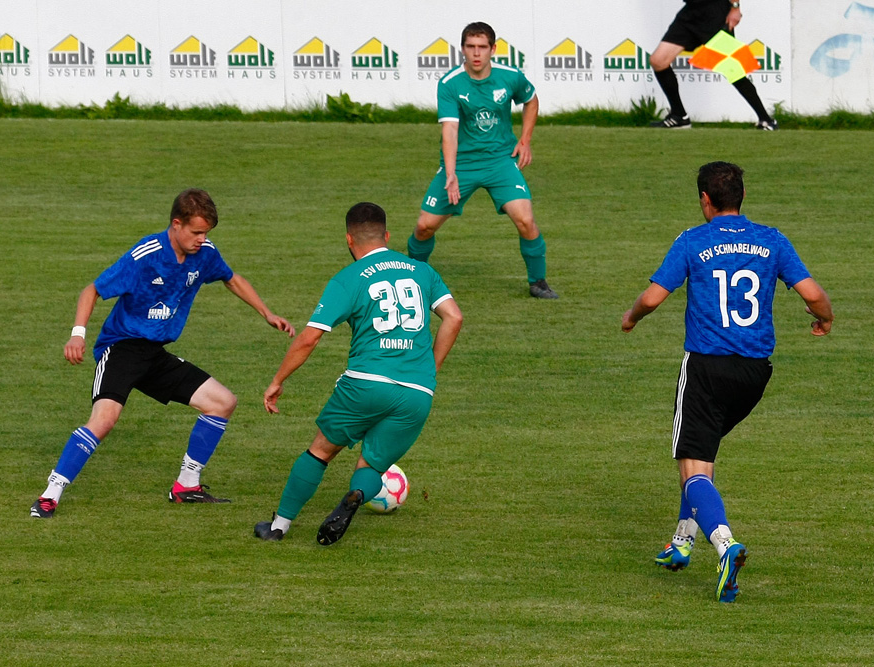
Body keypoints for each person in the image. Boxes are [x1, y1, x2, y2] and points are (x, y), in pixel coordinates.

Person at [621, 162, 833, 601]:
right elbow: (813, 295)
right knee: (703, 455)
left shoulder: (692, 241)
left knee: (692, 464)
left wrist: (631, 316)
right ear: (741, 197)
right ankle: (681, 542)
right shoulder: (772, 240)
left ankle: (724, 545)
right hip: (754, 374)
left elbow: (654, 296)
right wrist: (824, 318)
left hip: (705, 368)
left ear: (705, 200)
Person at [30, 188, 296, 518]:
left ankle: (186, 485)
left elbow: (231, 278)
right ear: (176, 224)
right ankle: (49, 494)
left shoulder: (204, 253)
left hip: (155, 354)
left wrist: (266, 312)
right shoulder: (146, 255)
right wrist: (78, 335)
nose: (202, 239)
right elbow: (93, 290)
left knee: (223, 402)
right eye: (197, 232)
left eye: (206, 233)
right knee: (105, 419)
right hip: (122, 348)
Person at [255, 202, 463, 545]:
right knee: (371, 467)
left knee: (320, 451)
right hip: (417, 393)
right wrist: (430, 369)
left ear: (350, 240)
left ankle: (278, 527)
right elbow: (454, 317)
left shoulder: (348, 278)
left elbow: (309, 339)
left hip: (365, 384)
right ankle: (353, 497)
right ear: (387, 236)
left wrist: (277, 381)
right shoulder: (421, 270)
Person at [407, 21, 558, 299]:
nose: (476, 53)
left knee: (525, 219)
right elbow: (450, 130)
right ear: (462, 49)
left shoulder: (510, 76)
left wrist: (525, 139)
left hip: (500, 161)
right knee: (424, 226)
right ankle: (414, 275)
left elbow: (531, 100)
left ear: (493, 49)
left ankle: (538, 281)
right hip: (461, 164)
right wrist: (450, 173)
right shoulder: (450, 83)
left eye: (482, 47)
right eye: (470, 47)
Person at [649, 0, 778, 130]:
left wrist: (735, 7)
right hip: (692, 11)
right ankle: (679, 116)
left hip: (714, 12)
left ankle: (766, 120)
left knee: (732, 70)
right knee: (658, 61)